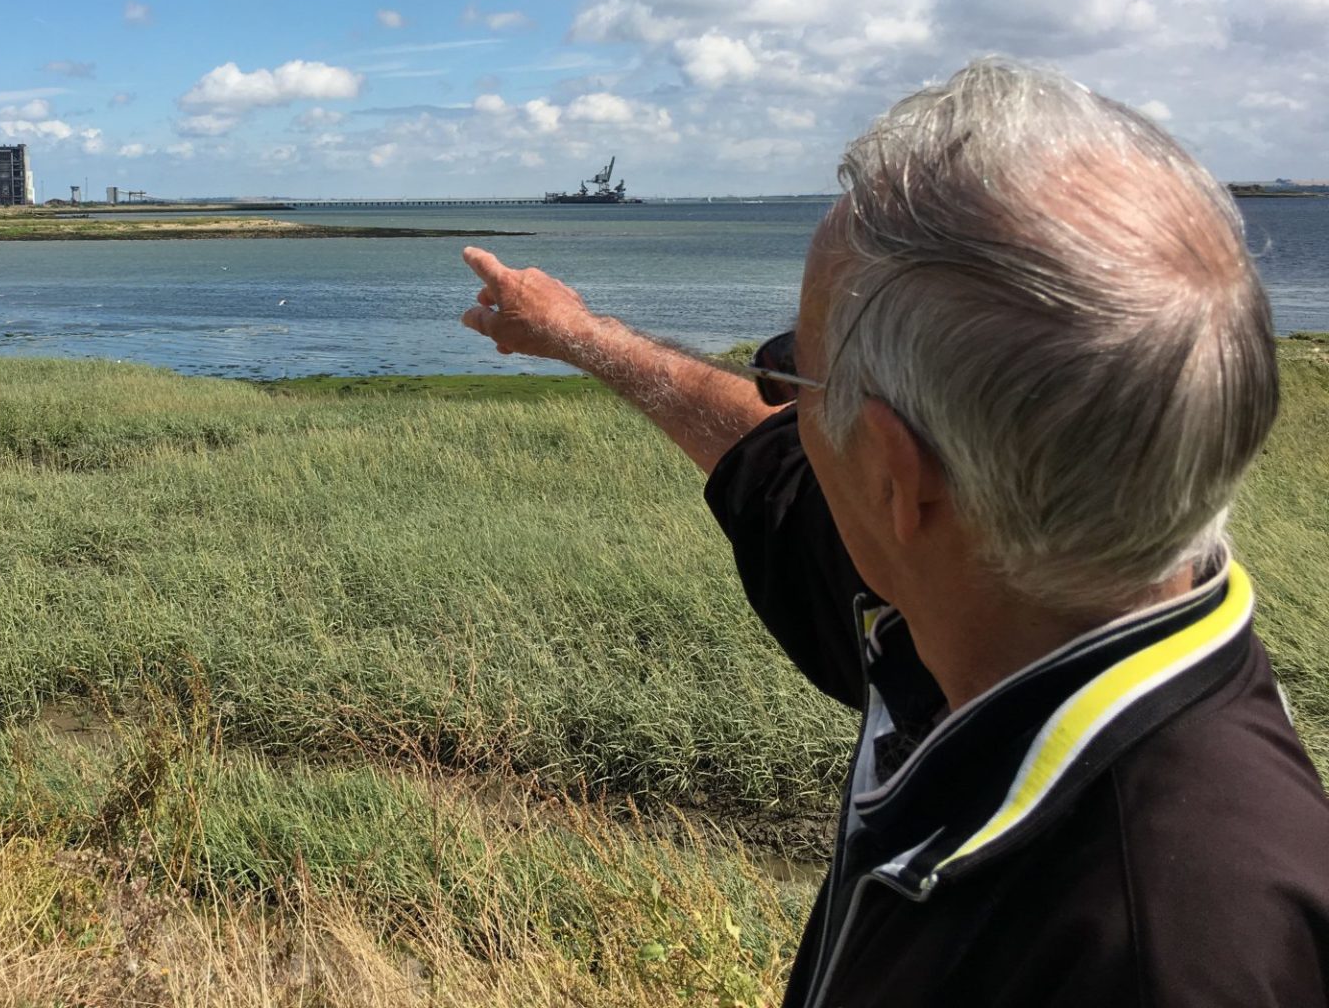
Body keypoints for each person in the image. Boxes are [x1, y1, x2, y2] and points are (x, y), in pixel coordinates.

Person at [458, 59, 1329, 1007]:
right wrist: (577, 333)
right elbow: (763, 453)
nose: (779, 405)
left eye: (792, 372)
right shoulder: (975, 603)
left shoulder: (1165, 954)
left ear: (890, 475)